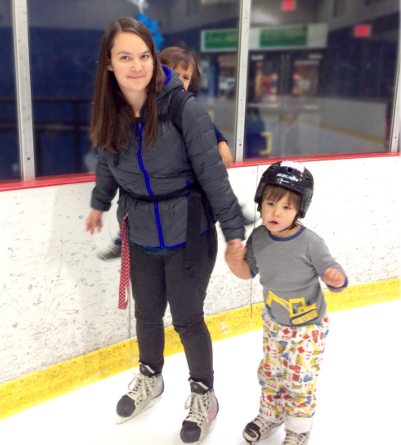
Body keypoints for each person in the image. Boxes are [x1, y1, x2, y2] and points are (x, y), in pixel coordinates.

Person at [85, 17, 244, 445]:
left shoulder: (181, 108)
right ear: (109, 64)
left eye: (143, 56)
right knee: (147, 312)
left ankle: (203, 395)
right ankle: (150, 377)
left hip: (187, 227)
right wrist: (101, 202)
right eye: (125, 57)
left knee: (188, 319)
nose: (136, 66)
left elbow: (213, 175)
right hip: (139, 226)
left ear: (153, 59)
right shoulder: (110, 110)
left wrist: (233, 234)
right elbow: (107, 157)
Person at [225, 161, 347, 445]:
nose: (276, 212)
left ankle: (298, 429)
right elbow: (248, 273)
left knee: (299, 379)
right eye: (270, 203)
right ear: (260, 203)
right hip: (274, 323)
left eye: (287, 207)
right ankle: (271, 415)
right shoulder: (257, 238)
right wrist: (234, 263)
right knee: (270, 373)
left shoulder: (310, 243)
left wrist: (334, 278)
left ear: (299, 211)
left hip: (308, 328)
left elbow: (332, 270)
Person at [97, 45, 233, 261]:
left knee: (210, 183)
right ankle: (121, 238)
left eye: (185, 77)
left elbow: (203, 127)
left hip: (180, 193)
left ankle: (232, 215)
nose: (178, 81)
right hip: (143, 188)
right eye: (172, 73)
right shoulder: (138, 103)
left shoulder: (186, 107)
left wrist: (221, 141)